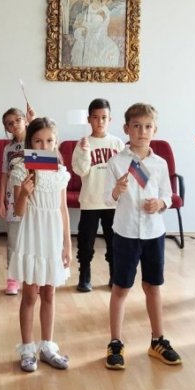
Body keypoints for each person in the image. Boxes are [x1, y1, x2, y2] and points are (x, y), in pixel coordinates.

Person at [103, 103, 182, 369]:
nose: (142, 131)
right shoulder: (116, 162)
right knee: (121, 288)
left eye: (148, 126)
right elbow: (107, 199)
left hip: (153, 233)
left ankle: (157, 340)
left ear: (155, 130)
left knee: (153, 286)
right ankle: (115, 342)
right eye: (136, 126)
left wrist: (160, 203)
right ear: (126, 128)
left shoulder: (160, 164)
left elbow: (168, 195)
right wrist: (117, 190)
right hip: (125, 232)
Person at [9, 117, 72, 372]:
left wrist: (67, 244)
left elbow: (63, 209)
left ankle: (47, 346)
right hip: (32, 235)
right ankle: (27, 348)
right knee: (30, 294)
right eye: (38, 141)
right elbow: (19, 211)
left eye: (49, 141)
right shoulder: (21, 168)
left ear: (55, 143)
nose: (44, 146)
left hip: (53, 236)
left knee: (49, 293)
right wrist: (24, 192)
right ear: (29, 143)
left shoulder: (60, 172)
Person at [71, 98, 124, 292]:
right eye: (95, 117)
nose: (100, 121)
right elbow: (81, 171)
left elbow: (124, 172)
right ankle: (84, 276)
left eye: (104, 117)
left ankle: (115, 276)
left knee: (114, 242)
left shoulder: (117, 143)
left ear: (110, 119)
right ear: (89, 119)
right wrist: (85, 153)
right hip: (90, 201)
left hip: (113, 203)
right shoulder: (82, 144)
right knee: (86, 243)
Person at [0, 106, 35, 296]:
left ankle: (33, 278)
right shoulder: (8, 149)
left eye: (18, 120)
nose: (14, 125)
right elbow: (4, 174)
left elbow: (50, 154)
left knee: (33, 239)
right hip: (13, 197)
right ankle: (13, 278)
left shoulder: (35, 141)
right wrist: (1, 201)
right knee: (13, 239)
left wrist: (34, 121)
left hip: (34, 196)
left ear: (25, 120)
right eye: (9, 123)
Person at [69, 0, 121, 68]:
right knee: (79, 47)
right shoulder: (88, 8)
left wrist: (82, 25)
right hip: (87, 36)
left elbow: (95, 25)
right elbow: (80, 23)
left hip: (99, 37)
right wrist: (81, 30)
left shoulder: (103, 10)